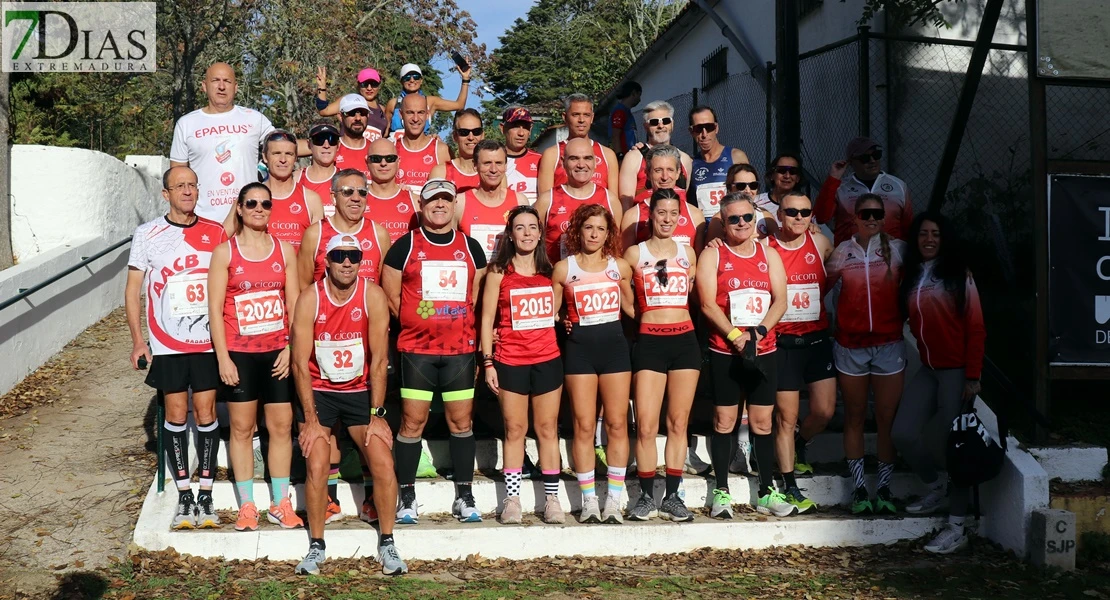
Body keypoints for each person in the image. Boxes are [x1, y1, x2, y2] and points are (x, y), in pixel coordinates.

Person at [290, 234, 406, 576]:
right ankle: (316, 546)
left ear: (360, 261)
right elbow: (299, 364)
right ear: (326, 261)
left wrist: (378, 414)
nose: (346, 262)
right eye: (339, 255)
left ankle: (387, 541)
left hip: (359, 392)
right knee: (316, 462)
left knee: (383, 459)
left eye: (353, 256)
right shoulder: (311, 298)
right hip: (321, 392)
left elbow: (380, 358)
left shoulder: (372, 295)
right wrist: (310, 419)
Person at [380, 179, 488, 524]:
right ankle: (407, 496)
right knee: (412, 422)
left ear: (454, 204)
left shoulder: (471, 248)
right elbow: (392, 298)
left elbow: (476, 297)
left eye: (446, 200)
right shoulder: (404, 246)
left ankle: (464, 493)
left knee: (461, 422)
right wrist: (422, 320)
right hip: (417, 351)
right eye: (432, 201)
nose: (439, 206)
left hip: (459, 351)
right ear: (421, 206)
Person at [125, 166, 227, 529]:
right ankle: (183, 493)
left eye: (192, 185)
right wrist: (139, 340)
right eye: (179, 186)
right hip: (167, 342)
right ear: (165, 194)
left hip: (205, 341)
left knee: (206, 411)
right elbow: (133, 290)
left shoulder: (216, 232)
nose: (187, 191)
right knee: (176, 411)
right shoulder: (147, 234)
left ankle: (206, 491)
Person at [207, 183, 302, 531]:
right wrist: (223, 358)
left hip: (277, 352)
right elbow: (215, 310)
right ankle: (247, 505)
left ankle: (280, 502)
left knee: (280, 427)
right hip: (240, 354)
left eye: (265, 203)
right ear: (240, 208)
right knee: (243, 428)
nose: (259, 208)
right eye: (252, 203)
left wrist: (291, 348)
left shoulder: (284, 250)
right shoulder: (225, 253)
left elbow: (294, 305)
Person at [696, 192, 796, 519]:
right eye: (733, 219)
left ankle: (767, 491)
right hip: (726, 349)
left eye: (747, 218)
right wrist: (737, 336)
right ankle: (721, 492)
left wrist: (760, 333)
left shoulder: (770, 255)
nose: (741, 224)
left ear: (755, 219)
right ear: (723, 223)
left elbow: (780, 300)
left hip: (763, 349)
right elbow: (708, 303)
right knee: (724, 421)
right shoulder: (713, 255)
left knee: (762, 422)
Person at [893, 212, 985, 554]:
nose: (929, 239)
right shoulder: (912, 276)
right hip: (929, 369)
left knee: (956, 449)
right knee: (902, 432)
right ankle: (935, 485)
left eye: (935, 234)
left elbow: (976, 327)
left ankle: (957, 527)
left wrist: (972, 376)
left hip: (957, 372)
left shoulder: (959, 276)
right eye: (922, 234)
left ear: (944, 238)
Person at [479, 205, 567, 525]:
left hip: (547, 360)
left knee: (546, 429)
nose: (527, 233)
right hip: (510, 361)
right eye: (520, 228)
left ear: (541, 234)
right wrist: (488, 362)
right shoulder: (498, 273)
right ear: (511, 235)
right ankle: (512, 499)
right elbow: (487, 319)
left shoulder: (551, 272)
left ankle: (552, 499)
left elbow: (561, 312)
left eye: (533, 227)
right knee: (515, 430)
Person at [551, 204, 635, 524]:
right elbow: (552, 313)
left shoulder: (619, 267)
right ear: (578, 231)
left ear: (608, 233)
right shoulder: (564, 269)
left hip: (615, 351)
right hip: (580, 352)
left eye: (601, 229)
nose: (594, 234)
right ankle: (589, 501)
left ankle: (613, 500)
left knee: (616, 424)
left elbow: (632, 309)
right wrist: (563, 320)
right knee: (584, 426)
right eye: (589, 228)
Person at [825, 193, 908, 514]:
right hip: (850, 346)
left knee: (887, 420)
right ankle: (860, 488)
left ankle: (884, 487)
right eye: (865, 214)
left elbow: (928, 272)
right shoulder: (843, 252)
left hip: (889, 345)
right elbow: (817, 288)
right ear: (855, 217)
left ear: (884, 218)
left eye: (877, 214)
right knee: (855, 418)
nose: (871, 218)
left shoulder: (900, 251)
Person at [623, 191, 700, 522]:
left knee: (678, 422)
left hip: (684, 341)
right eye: (661, 213)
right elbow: (623, 297)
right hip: (650, 342)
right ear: (650, 215)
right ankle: (644, 495)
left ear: (679, 217)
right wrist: (644, 318)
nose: (667, 219)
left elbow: (691, 293)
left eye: (673, 213)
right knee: (646, 425)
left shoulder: (689, 253)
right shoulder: (633, 254)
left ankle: (672, 495)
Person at [765, 191, 835, 513]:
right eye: (791, 211)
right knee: (786, 417)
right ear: (779, 214)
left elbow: (834, 278)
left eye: (805, 212)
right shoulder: (768, 248)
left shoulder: (821, 245)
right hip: (784, 343)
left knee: (823, 412)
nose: (798, 217)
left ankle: (800, 445)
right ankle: (790, 484)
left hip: (817, 341)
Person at [170, 62, 275, 222]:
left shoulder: (254, 118)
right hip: (203, 220)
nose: (221, 86)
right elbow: (176, 175)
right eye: (215, 81)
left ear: (236, 87)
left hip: (247, 219)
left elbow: (284, 145)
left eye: (227, 81)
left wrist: (320, 143)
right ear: (204, 86)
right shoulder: (186, 124)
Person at [225, 130, 323, 250]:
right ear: (265, 157)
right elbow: (220, 238)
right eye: (276, 153)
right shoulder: (248, 198)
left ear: (296, 158)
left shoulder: (311, 199)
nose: (283, 159)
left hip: (296, 268)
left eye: (289, 154)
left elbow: (319, 249)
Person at [535, 137, 623, 265]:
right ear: (563, 162)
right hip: (556, 279)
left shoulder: (611, 200)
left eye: (587, 158)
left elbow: (616, 247)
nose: (581, 165)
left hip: (596, 281)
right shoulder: (547, 200)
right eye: (574, 158)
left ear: (595, 162)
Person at [300, 169, 391, 287]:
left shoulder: (379, 234)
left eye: (362, 192)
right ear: (333, 197)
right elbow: (303, 287)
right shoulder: (315, 234)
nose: (356, 198)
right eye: (348, 192)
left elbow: (386, 289)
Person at [814, 136, 913, 245]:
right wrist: (833, 179)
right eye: (865, 158)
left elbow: (908, 226)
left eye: (876, 155)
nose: (872, 161)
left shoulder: (898, 185)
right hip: (851, 257)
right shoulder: (840, 188)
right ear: (850, 162)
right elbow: (820, 217)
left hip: (890, 255)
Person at [620, 146, 704, 250]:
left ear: (678, 173)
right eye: (658, 170)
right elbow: (625, 261)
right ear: (648, 174)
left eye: (670, 170)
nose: (665, 177)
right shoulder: (633, 216)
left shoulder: (695, 215)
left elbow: (698, 263)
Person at [455, 139, 527, 259]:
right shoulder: (460, 203)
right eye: (487, 163)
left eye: (499, 163)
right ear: (475, 165)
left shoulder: (519, 201)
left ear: (505, 165)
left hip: (508, 276)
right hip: (475, 277)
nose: (493, 169)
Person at [617, 100, 693, 210]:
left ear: (672, 124)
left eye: (666, 121)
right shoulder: (634, 158)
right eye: (654, 122)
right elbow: (625, 205)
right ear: (646, 126)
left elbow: (685, 198)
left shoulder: (685, 159)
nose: (661, 126)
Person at [537, 94, 619, 195]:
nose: (581, 120)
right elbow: (545, 202)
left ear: (592, 117)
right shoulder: (552, 155)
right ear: (565, 117)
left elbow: (614, 202)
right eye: (575, 114)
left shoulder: (608, 154)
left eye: (586, 115)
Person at [687, 106, 749, 222]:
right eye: (698, 129)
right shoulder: (690, 163)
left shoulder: (736, 157)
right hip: (702, 230)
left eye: (709, 127)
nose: (704, 134)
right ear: (691, 132)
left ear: (716, 128)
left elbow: (749, 195)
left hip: (731, 227)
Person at [384, 63, 472, 138]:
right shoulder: (393, 104)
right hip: (395, 150)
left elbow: (459, 105)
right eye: (407, 78)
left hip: (419, 151)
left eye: (416, 77)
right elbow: (384, 132)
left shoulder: (430, 102)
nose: (412, 80)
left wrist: (465, 79)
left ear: (421, 80)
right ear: (401, 81)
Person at [364, 138, 420, 243]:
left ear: (398, 162)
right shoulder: (356, 200)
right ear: (367, 162)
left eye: (390, 158)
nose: (383, 163)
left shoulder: (416, 202)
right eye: (376, 159)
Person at [394, 94, 450, 193]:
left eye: (420, 112)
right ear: (401, 114)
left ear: (427, 114)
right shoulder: (391, 148)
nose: (415, 119)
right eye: (410, 112)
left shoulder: (441, 150)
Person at [315, 66, 388, 140]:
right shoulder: (348, 101)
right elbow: (324, 111)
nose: (369, 88)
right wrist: (322, 87)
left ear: (379, 86)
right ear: (358, 85)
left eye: (373, 84)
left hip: (373, 151)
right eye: (365, 84)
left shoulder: (383, 110)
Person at [429, 108, 484, 196]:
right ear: (455, 136)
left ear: (482, 135)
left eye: (476, 132)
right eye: (464, 132)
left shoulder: (493, 172)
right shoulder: (440, 173)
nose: (471, 137)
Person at [753, 153, 804, 234]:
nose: (787, 176)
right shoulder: (756, 202)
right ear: (772, 175)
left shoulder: (805, 208)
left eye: (793, 171)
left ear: (797, 178)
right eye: (781, 170)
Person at [502, 107, 542, 204]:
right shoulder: (492, 161)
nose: (521, 133)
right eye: (515, 126)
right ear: (502, 128)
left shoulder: (541, 160)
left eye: (525, 127)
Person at [298, 124, 340, 217]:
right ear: (309, 144)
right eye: (319, 140)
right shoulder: (296, 178)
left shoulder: (347, 179)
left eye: (331, 140)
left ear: (338, 145)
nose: (326, 145)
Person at [333, 95, 373, 174]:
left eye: (363, 113)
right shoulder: (330, 150)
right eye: (351, 113)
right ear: (340, 116)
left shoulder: (375, 150)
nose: (358, 118)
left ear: (368, 116)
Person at [609, 81, 642, 161]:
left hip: (629, 156)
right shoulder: (620, 112)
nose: (639, 100)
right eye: (639, 95)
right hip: (623, 158)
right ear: (634, 93)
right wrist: (620, 156)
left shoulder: (626, 112)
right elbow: (615, 136)